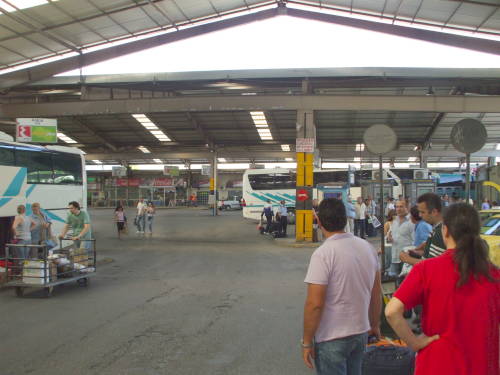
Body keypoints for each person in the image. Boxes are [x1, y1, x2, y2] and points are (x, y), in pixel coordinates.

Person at [385, 203, 499, 375]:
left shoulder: (426, 269)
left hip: (436, 364)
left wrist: (414, 343)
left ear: (445, 231)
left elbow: (392, 311)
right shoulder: (493, 274)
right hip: (482, 365)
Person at [302, 198, 382, 375]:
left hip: (331, 337)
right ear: (346, 220)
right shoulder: (367, 248)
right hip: (360, 332)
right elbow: (376, 293)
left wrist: (307, 341)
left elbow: (315, 304)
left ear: (319, 221)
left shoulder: (323, 254)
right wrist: (374, 323)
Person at [400, 193, 446, 267]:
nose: (420, 215)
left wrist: (407, 259)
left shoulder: (441, 232)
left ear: (434, 212)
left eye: (422, 212)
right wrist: (419, 252)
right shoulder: (436, 229)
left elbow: (433, 265)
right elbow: (433, 258)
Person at [388, 200, 414, 276]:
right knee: (393, 280)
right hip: (395, 257)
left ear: (407, 208)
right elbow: (391, 234)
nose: (398, 209)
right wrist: (389, 237)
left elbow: (415, 242)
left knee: (405, 283)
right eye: (397, 207)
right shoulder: (395, 220)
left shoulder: (412, 221)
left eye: (401, 206)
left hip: (406, 259)